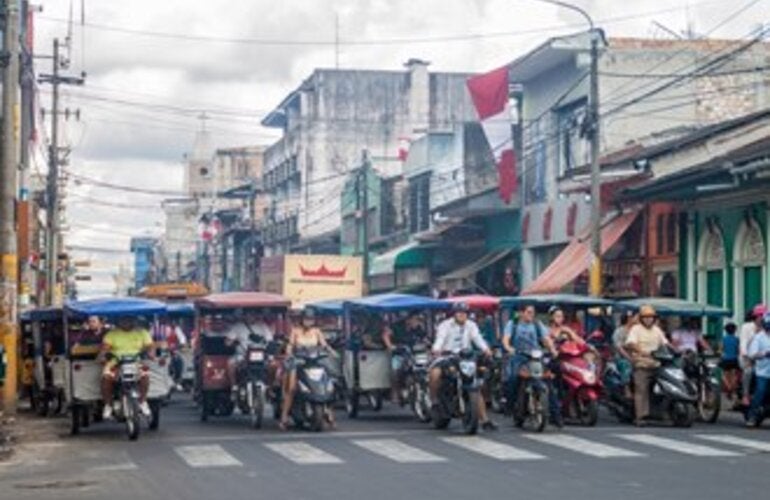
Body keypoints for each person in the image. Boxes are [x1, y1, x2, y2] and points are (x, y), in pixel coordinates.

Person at [430, 302, 497, 431]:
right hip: (447, 357)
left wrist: (486, 350)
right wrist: (437, 349)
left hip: (465, 358)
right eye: (459, 313)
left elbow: (477, 339)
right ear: (454, 314)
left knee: (474, 384)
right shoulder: (445, 325)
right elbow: (440, 339)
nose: (462, 315)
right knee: (435, 374)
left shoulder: (471, 325)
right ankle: (434, 401)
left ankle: (485, 420)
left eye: (465, 313)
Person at [502, 304, 560, 426]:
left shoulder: (537, 324)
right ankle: (510, 406)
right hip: (519, 355)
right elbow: (506, 339)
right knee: (512, 379)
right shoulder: (513, 324)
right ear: (522, 313)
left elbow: (546, 339)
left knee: (548, 380)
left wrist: (553, 350)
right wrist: (508, 347)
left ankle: (556, 415)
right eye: (528, 312)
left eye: (532, 313)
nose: (531, 315)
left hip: (536, 356)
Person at [279, 309, 336, 430]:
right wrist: (289, 353)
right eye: (306, 319)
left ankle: (330, 414)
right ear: (302, 319)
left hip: (315, 362)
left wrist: (331, 352)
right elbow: (290, 345)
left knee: (328, 384)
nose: (308, 322)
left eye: (311, 319)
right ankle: (284, 417)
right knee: (292, 388)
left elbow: (324, 345)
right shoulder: (295, 331)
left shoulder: (317, 331)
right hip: (299, 361)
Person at [100, 316, 155, 419]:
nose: (126, 322)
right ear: (118, 321)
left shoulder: (142, 332)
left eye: (129, 319)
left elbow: (150, 346)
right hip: (115, 363)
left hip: (136, 362)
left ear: (134, 320)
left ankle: (142, 402)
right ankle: (108, 405)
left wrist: (151, 353)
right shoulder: (112, 334)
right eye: (123, 319)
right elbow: (105, 348)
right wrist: (103, 355)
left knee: (145, 376)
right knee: (106, 378)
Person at [624, 305, 670, 426]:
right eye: (646, 317)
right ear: (641, 318)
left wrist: (677, 350)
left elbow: (665, 344)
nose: (649, 320)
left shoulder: (657, 330)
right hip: (642, 363)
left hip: (657, 363)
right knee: (641, 389)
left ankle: (663, 412)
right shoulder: (636, 329)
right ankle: (640, 416)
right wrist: (641, 351)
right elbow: (630, 343)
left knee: (666, 386)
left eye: (651, 317)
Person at [385, 312, 428, 403]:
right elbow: (385, 335)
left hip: (415, 354)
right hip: (399, 353)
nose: (417, 322)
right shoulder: (396, 326)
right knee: (396, 371)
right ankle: (395, 392)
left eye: (418, 320)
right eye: (415, 320)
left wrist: (429, 344)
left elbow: (424, 338)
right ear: (408, 320)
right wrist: (390, 346)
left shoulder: (418, 328)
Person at [225, 312, 275, 389]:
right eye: (248, 314)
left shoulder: (263, 326)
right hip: (243, 355)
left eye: (253, 314)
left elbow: (270, 340)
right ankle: (234, 387)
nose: (251, 316)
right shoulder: (238, 326)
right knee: (230, 364)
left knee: (273, 365)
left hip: (261, 355)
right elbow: (228, 341)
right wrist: (231, 342)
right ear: (244, 316)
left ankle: (270, 387)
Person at [746, 312, 770, 426]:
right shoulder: (758, 338)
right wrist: (764, 354)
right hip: (763, 372)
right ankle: (752, 416)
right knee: (760, 392)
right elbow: (752, 354)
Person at [740, 305, 766, 406]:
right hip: (747, 358)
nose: (763, 318)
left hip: (763, 358)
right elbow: (743, 343)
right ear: (756, 316)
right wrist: (746, 354)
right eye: (762, 316)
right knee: (748, 371)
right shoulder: (747, 327)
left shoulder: (766, 328)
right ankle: (745, 395)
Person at [612, 311, 635, 392]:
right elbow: (619, 348)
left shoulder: (635, 330)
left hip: (636, 356)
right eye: (631, 317)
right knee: (626, 365)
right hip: (621, 357)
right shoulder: (618, 331)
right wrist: (629, 358)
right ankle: (626, 389)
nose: (633, 319)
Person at [720, 322, 740, 400]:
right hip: (734, 359)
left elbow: (721, 349)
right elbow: (738, 350)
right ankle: (731, 388)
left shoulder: (724, 339)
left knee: (724, 375)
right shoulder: (737, 339)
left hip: (726, 359)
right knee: (734, 376)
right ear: (734, 330)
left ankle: (728, 387)